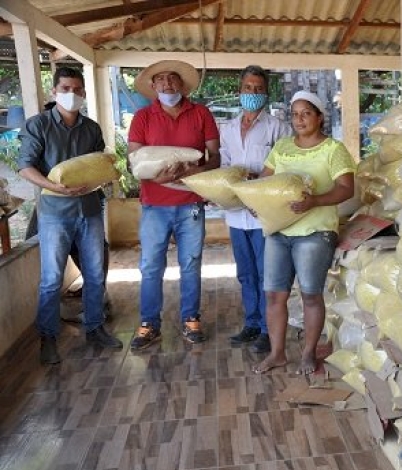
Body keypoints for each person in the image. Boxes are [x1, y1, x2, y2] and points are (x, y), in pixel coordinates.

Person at [16, 67, 123, 364]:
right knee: (51, 279)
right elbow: (25, 167)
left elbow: (102, 165)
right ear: (54, 91)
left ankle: (95, 327)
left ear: (84, 93)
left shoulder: (91, 128)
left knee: (94, 273)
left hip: (89, 211)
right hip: (54, 214)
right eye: (65, 88)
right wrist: (54, 187)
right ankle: (48, 338)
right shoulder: (38, 126)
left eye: (77, 89)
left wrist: (102, 180)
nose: (72, 94)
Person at [253, 90, 355, 376]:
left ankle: (308, 353)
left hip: (314, 233)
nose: (299, 119)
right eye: (295, 114)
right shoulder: (282, 147)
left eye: (306, 113)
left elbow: (347, 189)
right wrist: (257, 202)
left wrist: (315, 201)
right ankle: (277, 354)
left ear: (319, 117)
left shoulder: (333, 149)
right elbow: (265, 181)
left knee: (310, 295)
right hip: (278, 231)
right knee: (274, 295)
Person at [127, 60, 220, 350]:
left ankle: (191, 318)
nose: (167, 84)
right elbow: (135, 161)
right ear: (153, 86)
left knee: (190, 264)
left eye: (173, 79)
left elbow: (215, 156)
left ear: (182, 84)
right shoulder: (143, 117)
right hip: (155, 204)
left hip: (191, 202)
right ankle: (149, 324)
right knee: (151, 266)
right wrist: (158, 174)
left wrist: (197, 172)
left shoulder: (201, 113)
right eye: (161, 80)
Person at [219, 65, 290, 352]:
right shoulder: (228, 129)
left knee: (265, 273)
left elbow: (284, 168)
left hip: (262, 213)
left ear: (266, 93)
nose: (253, 93)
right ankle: (251, 322)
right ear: (240, 91)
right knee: (245, 272)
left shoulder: (278, 128)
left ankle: (266, 329)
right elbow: (224, 165)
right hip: (236, 213)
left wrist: (258, 187)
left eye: (258, 89)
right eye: (248, 88)